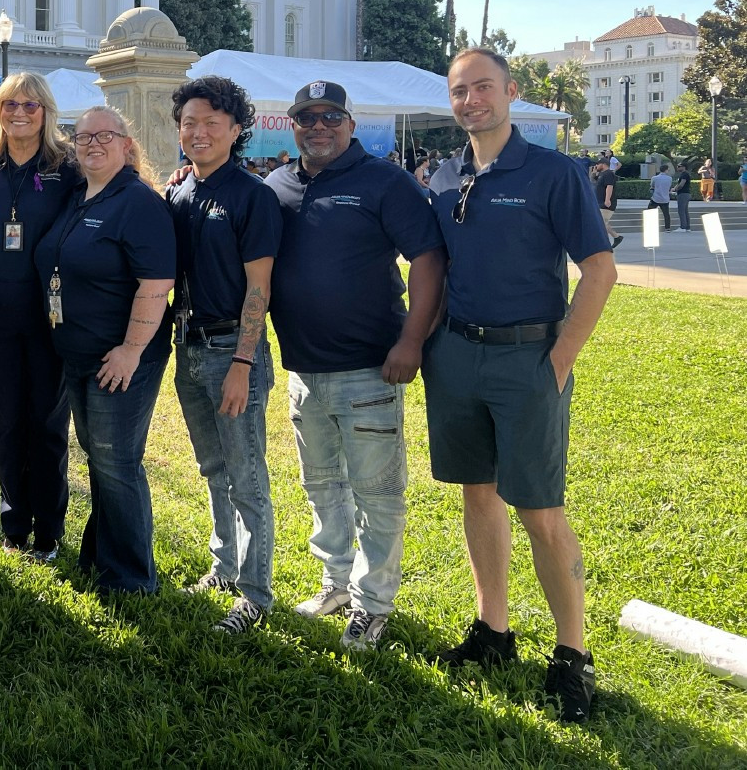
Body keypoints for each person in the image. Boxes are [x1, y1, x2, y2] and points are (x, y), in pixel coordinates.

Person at [424, 48, 616, 723]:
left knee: (539, 509)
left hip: (528, 358)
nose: (471, 99)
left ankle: (572, 657)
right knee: (478, 495)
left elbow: (598, 270)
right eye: (459, 91)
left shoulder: (553, 172)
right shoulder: (442, 176)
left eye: (482, 87)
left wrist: (559, 359)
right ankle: (494, 630)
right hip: (457, 356)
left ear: (510, 92)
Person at [265, 80, 445, 652]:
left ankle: (374, 604)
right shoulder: (278, 185)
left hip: (370, 369)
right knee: (321, 487)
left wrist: (412, 341)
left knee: (377, 493)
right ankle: (335, 583)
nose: (318, 126)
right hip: (303, 372)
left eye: (330, 117)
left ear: (350, 123)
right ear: (293, 124)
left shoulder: (385, 182)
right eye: (306, 117)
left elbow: (428, 260)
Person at [32, 106, 174, 594]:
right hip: (78, 353)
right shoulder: (80, 196)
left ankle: (131, 578)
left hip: (122, 357)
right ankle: (101, 554)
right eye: (83, 137)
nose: (92, 144)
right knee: (99, 458)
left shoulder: (138, 202)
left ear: (127, 145)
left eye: (105, 136)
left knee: (117, 462)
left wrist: (131, 350)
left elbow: (156, 284)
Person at [165, 77, 280, 630]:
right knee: (213, 468)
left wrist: (242, 363)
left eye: (212, 122)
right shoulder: (180, 191)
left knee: (246, 475)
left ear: (236, 130)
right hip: (186, 346)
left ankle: (256, 595)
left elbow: (260, 289)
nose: (199, 131)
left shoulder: (251, 195)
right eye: (189, 122)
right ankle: (225, 568)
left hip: (233, 348)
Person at [0, 74, 81, 560]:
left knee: (48, 424)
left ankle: (49, 531)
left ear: (46, 111)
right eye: (11, 103)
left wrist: (176, 177)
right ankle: (15, 525)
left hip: (52, 315)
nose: (21, 112)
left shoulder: (67, 167)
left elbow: (119, 182)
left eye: (32, 105)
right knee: (7, 422)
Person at [593, 158, 622, 249]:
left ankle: (605, 243)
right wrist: (594, 173)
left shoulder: (609, 174)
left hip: (606, 203)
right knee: (602, 223)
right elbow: (594, 180)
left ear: (603, 164)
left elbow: (609, 187)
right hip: (600, 202)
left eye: (597, 164)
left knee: (601, 223)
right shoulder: (602, 174)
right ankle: (616, 237)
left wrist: (607, 200)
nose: (596, 166)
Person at [648, 163, 672, 231]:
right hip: (665, 198)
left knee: (650, 211)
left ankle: (650, 226)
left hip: (656, 197)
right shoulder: (669, 178)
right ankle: (667, 228)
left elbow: (652, 186)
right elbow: (669, 187)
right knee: (666, 214)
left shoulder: (654, 178)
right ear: (666, 170)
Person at [672, 162, 692, 232]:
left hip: (683, 194)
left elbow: (681, 184)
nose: (677, 168)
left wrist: (675, 189)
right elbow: (678, 183)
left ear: (684, 167)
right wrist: (674, 188)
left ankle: (683, 227)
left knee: (681, 211)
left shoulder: (684, 174)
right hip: (686, 194)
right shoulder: (685, 174)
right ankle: (687, 227)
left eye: (679, 166)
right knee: (685, 211)